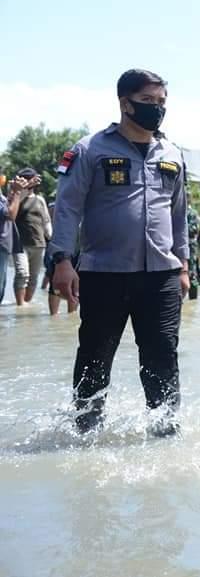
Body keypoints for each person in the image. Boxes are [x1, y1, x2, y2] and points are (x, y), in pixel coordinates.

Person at [49, 68, 189, 436]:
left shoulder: (172, 153)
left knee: (162, 357)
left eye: (161, 102)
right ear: (125, 103)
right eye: (147, 101)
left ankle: (164, 434)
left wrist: (184, 265)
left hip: (161, 276)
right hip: (103, 274)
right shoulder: (89, 149)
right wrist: (62, 260)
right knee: (95, 357)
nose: (156, 109)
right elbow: (67, 208)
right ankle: (85, 432)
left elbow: (179, 214)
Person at [12, 168, 50, 306]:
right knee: (22, 274)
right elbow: (12, 207)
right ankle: (20, 305)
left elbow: (46, 221)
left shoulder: (40, 199)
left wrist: (51, 238)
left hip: (39, 244)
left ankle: (26, 305)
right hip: (20, 243)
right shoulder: (16, 196)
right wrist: (26, 187)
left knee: (33, 278)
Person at [0, 173, 19, 305]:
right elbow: (11, 214)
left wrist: (16, 190)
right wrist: (17, 192)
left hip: (4, 247)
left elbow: (9, 206)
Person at [186, 197, 200, 299]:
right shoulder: (173, 210)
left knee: (192, 272)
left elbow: (194, 230)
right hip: (176, 246)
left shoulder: (192, 213)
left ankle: (193, 299)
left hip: (190, 246)